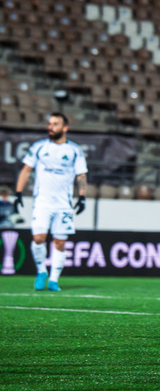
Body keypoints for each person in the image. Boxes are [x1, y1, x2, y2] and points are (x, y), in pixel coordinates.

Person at [13, 112, 87, 291]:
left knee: (60, 242)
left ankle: (54, 280)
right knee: (38, 238)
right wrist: (19, 192)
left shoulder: (75, 150)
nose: (51, 127)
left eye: (55, 124)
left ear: (65, 128)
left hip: (63, 204)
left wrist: (82, 196)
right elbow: (26, 169)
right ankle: (41, 271)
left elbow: (81, 175)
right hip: (42, 202)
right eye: (50, 124)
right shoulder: (39, 147)